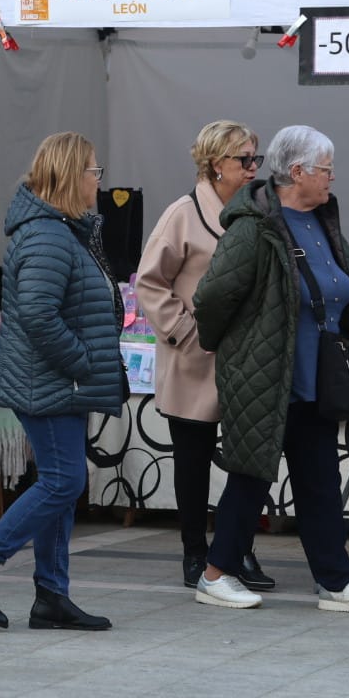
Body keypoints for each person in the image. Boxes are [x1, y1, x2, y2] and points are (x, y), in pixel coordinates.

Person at [191, 125, 349, 614]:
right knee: (251, 477)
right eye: (325, 169)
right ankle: (214, 576)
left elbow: (343, 290)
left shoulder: (322, 221)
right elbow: (212, 297)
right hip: (265, 375)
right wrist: (235, 347)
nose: (332, 178)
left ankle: (337, 584)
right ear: (296, 172)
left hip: (313, 379)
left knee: (319, 480)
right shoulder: (254, 228)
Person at [0, 133, 125, 631]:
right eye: (93, 171)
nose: (98, 179)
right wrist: (83, 360)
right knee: (65, 481)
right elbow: (42, 317)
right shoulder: (48, 235)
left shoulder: (63, 231)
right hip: (48, 380)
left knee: (60, 484)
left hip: (56, 380)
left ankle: (52, 595)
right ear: (71, 177)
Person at [135, 121, 275, 591]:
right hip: (194, 359)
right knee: (192, 464)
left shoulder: (259, 211)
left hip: (246, 359)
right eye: (245, 160)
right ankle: (194, 553)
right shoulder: (182, 213)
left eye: (257, 159)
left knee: (246, 462)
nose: (254, 169)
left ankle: (237, 551)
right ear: (217, 165)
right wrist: (183, 331)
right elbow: (149, 282)